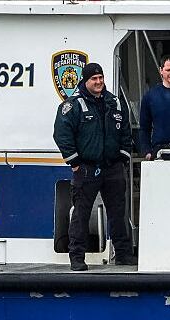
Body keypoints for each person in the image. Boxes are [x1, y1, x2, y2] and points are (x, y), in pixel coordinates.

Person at [53, 62, 135, 271]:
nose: (98, 82)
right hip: (86, 169)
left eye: (100, 78)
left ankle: (124, 255)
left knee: (118, 213)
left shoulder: (114, 103)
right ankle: (77, 258)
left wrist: (123, 156)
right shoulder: (73, 106)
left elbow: (125, 131)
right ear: (85, 81)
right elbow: (61, 134)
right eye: (93, 79)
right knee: (81, 213)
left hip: (113, 167)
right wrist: (75, 163)